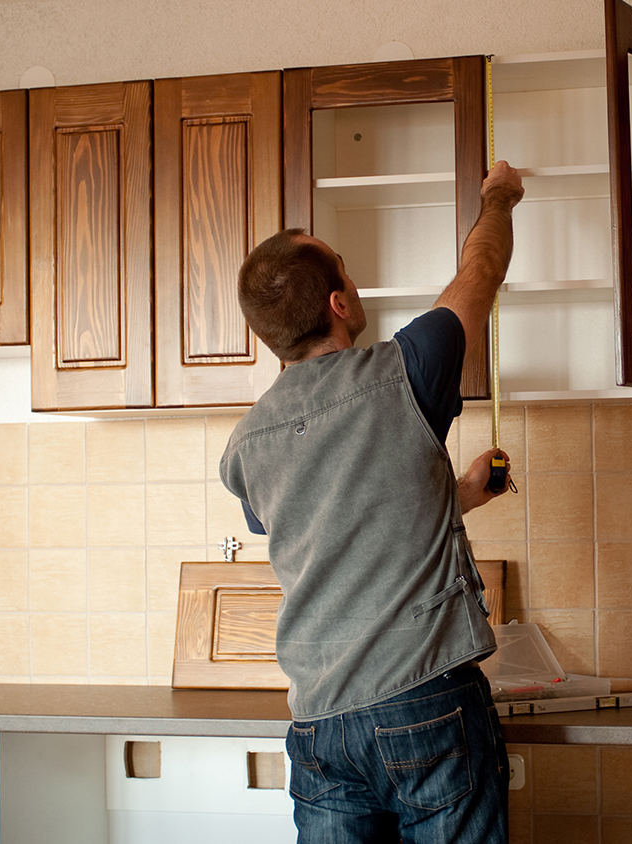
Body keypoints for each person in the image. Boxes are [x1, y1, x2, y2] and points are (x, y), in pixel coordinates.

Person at [220, 160, 525, 844]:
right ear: (338, 305)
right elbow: (480, 274)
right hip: (427, 705)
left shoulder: (246, 448)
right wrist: (499, 198)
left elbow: (335, 523)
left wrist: (459, 498)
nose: (353, 284)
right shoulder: (406, 371)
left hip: (321, 727)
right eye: (345, 272)